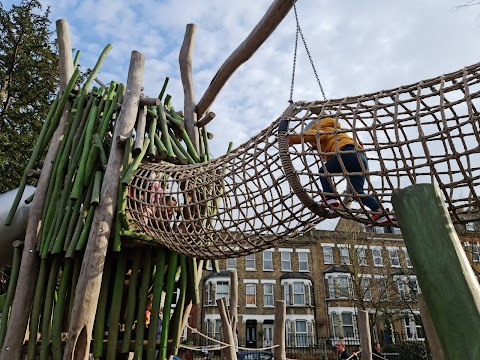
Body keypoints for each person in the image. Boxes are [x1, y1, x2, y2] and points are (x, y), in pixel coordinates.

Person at [288, 117, 396, 225]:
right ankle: (380, 211)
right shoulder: (336, 131)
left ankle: (330, 197)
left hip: (346, 154)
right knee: (357, 192)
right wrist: (315, 146)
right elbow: (329, 141)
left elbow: (314, 135)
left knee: (323, 171)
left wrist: (292, 139)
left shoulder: (322, 130)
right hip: (361, 159)